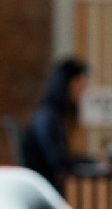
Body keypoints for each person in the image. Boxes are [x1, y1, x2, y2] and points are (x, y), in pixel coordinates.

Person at [22, 57, 90, 192]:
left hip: (47, 185)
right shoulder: (47, 116)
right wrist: (88, 163)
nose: (83, 90)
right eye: (79, 83)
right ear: (66, 83)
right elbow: (57, 159)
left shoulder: (49, 114)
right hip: (47, 187)